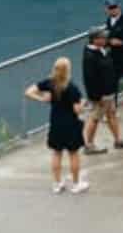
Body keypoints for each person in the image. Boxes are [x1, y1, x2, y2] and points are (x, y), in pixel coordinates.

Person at [25, 56, 88, 193]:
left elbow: (28, 92)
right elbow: (77, 110)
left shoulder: (49, 83)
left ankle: (57, 183)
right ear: (67, 70)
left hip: (55, 122)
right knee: (73, 153)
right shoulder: (72, 88)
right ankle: (77, 184)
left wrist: (42, 99)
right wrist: (83, 103)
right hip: (71, 123)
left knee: (57, 153)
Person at [81, 26, 123, 153]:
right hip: (101, 96)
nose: (106, 39)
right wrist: (97, 97)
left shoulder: (102, 50)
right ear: (95, 40)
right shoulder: (90, 56)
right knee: (95, 118)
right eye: (102, 37)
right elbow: (90, 79)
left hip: (109, 92)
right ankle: (89, 145)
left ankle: (118, 140)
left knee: (111, 115)